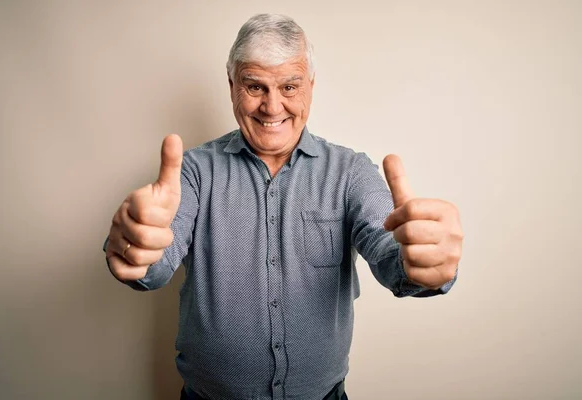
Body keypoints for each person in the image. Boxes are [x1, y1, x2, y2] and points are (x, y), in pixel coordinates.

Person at [103, 13, 463, 400]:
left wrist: (423, 263)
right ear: (231, 86)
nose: (272, 107)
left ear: (311, 86)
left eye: (289, 87)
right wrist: (134, 249)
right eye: (254, 86)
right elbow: (155, 263)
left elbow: (390, 251)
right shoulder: (192, 172)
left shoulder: (351, 172)